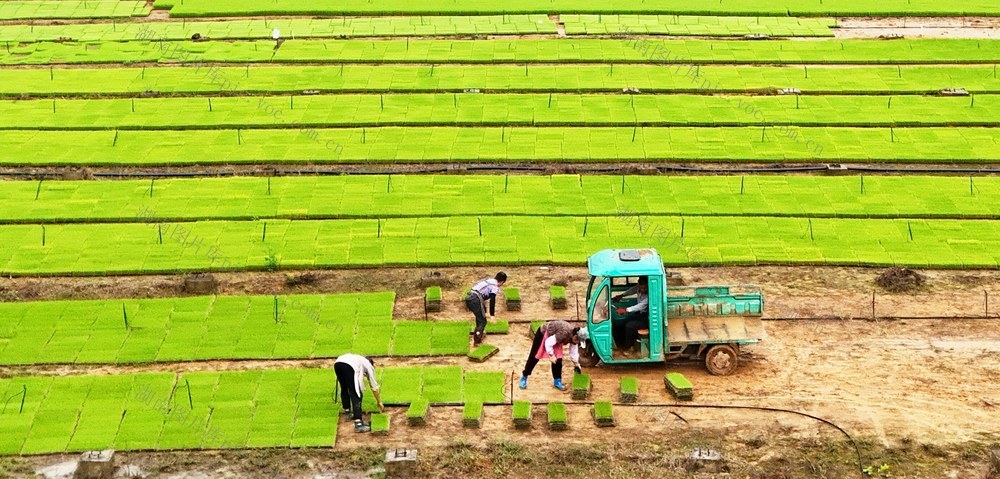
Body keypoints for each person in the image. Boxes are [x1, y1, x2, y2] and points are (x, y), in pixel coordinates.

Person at [519, 320, 589, 391]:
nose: (578, 342)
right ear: (574, 336)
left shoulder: (574, 338)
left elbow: (573, 351)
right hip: (544, 334)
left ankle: (557, 380)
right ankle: (524, 376)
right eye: (578, 340)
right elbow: (548, 343)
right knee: (535, 356)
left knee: (558, 358)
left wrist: (576, 363)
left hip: (555, 337)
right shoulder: (563, 333)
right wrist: (551, 355)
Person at [333, 353, 384, 433]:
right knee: (356, 393)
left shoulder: (358, 359)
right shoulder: (368, 365)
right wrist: (379, 401)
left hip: (337, 364)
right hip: (348, 366)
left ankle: (347, 412)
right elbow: (374, 386)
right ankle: (358, 424)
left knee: (344, 388)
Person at [466, 272, 507, 345]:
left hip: (469, 297)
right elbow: (492, 300)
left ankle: (480, 333)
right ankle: (477, 341)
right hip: (476, 298)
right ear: (501, 282)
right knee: (482, 321)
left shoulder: (489, 280)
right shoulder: (494, 286)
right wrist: (492, 315)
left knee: (480, 315)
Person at [613, 277, 649, 352]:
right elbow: (632, 290)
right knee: (621, 323)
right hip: (639, 315)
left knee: (629, 326)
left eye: (644, 288)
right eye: (640, 288)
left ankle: (630, 347)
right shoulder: (638, 288)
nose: (642, 290)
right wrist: (621, 295)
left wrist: (625, 310)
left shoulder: (649, 296)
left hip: (646, 318)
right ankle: (620, 343)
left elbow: (641, 306)